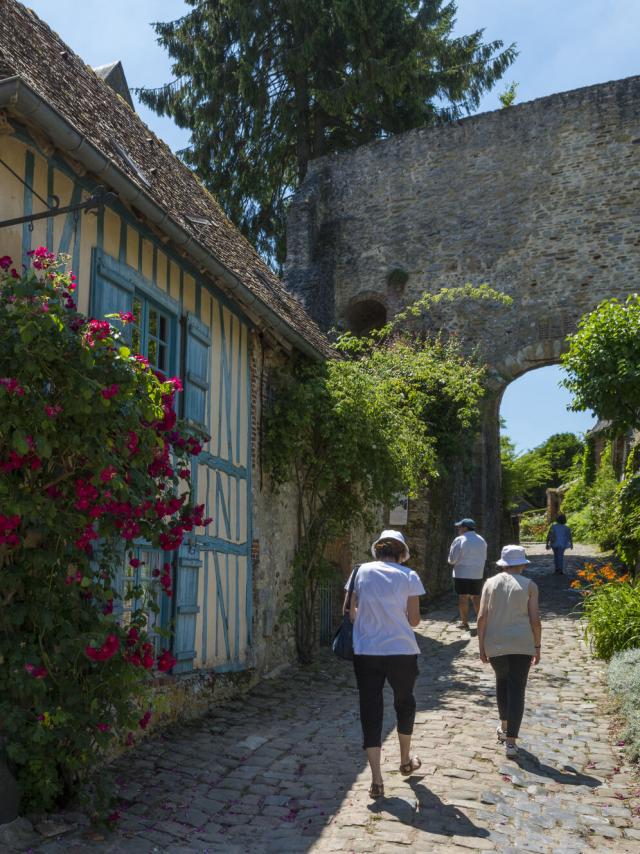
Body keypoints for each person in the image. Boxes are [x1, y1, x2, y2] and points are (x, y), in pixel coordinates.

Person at [345, 529, 426, 799]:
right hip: (401, 650)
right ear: (401, 554)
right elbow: (414, 621)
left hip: (367, 650)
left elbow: (350, 612)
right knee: (405, 701)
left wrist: (368, 623)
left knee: (370, 707)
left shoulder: (360, 572)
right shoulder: (409, 576)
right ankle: (405, 760)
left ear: (376, 550)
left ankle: (377, 779)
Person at [477, 545, 541, 758]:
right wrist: (537, 646)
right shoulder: (530, 586)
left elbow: (482, 617)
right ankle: (511, 742)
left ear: (502, 564)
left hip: (496, 642)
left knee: (502, 682)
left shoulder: (490, 584)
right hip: (522, 643)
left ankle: (504, 726)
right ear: (522, 564)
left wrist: (481, 646)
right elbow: (535, 620)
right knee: (517, 689)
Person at [448, 518, 488, 630]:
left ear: (465, 528)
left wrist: (452, 561)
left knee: (463, 597)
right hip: (477, 573)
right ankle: (482, 621)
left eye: (460, 527)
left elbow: (452, 559)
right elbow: (484, 557)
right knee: (476, 597)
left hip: (462, 573)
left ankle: (464, 622)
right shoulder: (481, 540)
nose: (458, 529)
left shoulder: (460, 539)